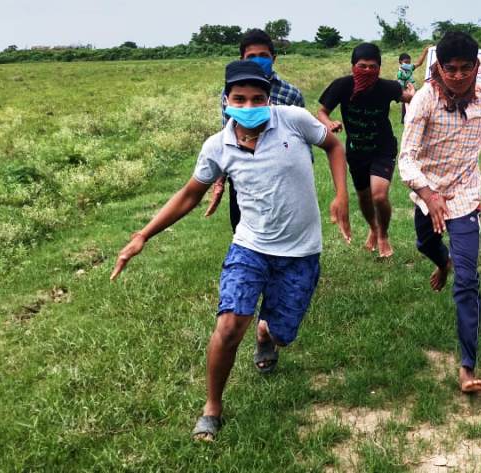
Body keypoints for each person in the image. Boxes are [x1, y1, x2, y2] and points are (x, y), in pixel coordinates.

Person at [110, 61, 352, 442]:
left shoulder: (292, 121)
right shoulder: (217, 147)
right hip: (250, 247)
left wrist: (341, 195)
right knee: (228, 325)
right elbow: (190, 194)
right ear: (226, 101)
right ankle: (212, 408)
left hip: (301, 251)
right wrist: (143, 235)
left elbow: (334, 146)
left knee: (283, 334)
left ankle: (266, 333)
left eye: (257, 98)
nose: (249, 105)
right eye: (239, 98)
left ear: (268, 99)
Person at [399, 31, 481, 394]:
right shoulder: (424, 100)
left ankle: (468, 366)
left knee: (468, 280)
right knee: (426, 244)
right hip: (429, 191)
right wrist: (428, 193)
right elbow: (406, 158)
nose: (457, 76)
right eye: (450, 69)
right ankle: (443, 263)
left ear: (477, 66)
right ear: (438, 67)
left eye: (465, 68)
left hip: (466, 196)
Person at [317, 43, 415, 258]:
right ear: (353, 66)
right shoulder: (342, 86)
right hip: (357, 152)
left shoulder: (387, 87)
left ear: (379, 68)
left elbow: (408, 98)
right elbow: (322, 112)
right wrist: (329, 123)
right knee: (364, 198)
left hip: (383, 148)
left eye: (373, 67)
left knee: (379, 195)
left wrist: (413, 94)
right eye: (362, 66)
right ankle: (374, 228)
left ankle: (383, 236)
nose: (368, 71)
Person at [205, 28, 307, 231]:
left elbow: (302, 142)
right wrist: (219, 181)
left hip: (281, 175)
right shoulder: (231, 95)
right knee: (242, 228)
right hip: (243, 175)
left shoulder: (291, 94)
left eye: (263, 56)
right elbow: (227, 136)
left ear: (273, 58)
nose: (258, 61)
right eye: (251, 57)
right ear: (242, 59)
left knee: (284, 228)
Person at [397, 45, 431, 123]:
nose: (408, 64)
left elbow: (419, 63)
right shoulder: (402, 70)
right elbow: (419, 63)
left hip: (411, 91)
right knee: (408, 108)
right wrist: (425, 51)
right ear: (400, 62)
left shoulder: (408, 68)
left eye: (409, 62)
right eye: (406, 62)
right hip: (407, 92)